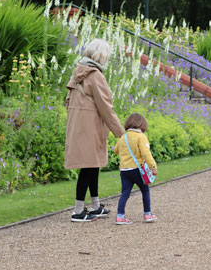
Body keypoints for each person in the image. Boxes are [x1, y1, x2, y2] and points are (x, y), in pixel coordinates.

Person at [64, 39, 125, 222]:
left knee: (92, 165)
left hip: (78, 126)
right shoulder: (95, 75)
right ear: (102, 55)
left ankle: (96, 205)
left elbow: (68, 101)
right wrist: (121, 134)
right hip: (91, 127)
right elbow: (106, 107)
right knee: (88, 167)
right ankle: (78, 210)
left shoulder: (77, 72)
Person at [113, 112, 158, 225]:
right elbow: (146, 153)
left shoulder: (124, 137)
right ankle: (147, 214)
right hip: (137, 170)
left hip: (124, 170)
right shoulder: (141, 137)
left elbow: (116, 150)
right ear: (142, 124)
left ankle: (120, 216)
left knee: (125, 193)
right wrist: (153, 167)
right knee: (145, 190)